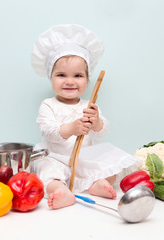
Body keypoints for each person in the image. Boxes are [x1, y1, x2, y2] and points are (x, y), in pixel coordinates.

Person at [31, 24, 141, 209]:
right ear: (50, 77)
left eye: (78, 75)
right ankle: (60, 190)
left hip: (84, 157)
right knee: (44, 171)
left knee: (112, 167)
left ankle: (96, 184)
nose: (69, 81)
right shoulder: (48, 105)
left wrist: (96, 122)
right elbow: (47, 130)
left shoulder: (88, 105)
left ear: (88, 80)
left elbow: (102, 130)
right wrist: (70, 129)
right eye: (61, 75)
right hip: (55, 157)